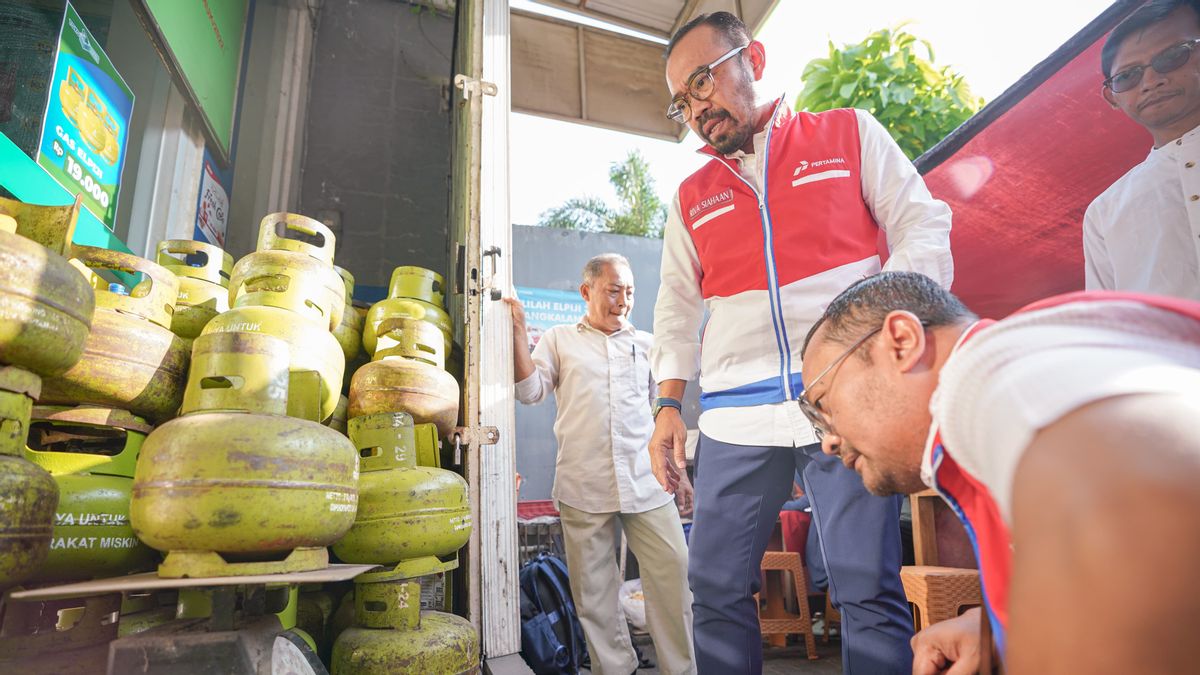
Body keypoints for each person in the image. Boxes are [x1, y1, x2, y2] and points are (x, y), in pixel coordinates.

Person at [649, 11, 954, 674]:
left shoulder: (847, 133)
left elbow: (922, 224)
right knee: (716, 587)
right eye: (682, 100)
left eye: (703, 81)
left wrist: (885, 336)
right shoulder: (689, 197)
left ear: (752, 60)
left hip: (845, 400)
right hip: (736, 414)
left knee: (864, 584)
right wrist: (668, 405)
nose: (696, 107)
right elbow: (674, 308)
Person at [799, 271, 1200, 674]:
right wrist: (1009, 625)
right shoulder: (1022, 374)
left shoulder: (1001, 382)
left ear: (901, 342)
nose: (829, 440)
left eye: (823, 403)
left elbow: (1149, 499)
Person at [507, 253, 696, 675]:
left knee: (674, 576)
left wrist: (679, 473)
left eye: (629, 292)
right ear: (586, 292)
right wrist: (519, 330)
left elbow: (662, 417)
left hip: (647, 482)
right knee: (595, 594)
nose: (623, 301)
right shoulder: (559, 338)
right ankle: (618, 670)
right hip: (583, 483)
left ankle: (680, 670)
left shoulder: (647, 345)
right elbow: (530, 391)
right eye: (613, 291)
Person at [1083, 0, 1200, 300]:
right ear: (1112, 97)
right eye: (1128, 76)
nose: (1150, 81)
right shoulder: (1104, 212)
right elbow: (1110, 327)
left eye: (1173, 56)